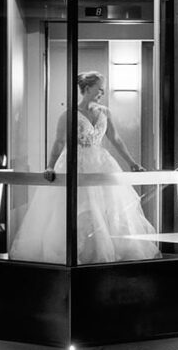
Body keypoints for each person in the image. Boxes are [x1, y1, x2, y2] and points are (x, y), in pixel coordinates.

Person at [9, 71, 159, 263]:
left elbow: (116, 139)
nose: (102, 93)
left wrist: (132, 163)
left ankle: (103, 254)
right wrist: (50, 166)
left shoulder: (105, 112)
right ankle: (80, 254)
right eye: (99, 89)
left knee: (108, 210)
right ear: (87, 89)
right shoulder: (69, 115)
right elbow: (59, 142)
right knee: (82, 209)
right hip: (76, 164)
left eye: (103, 90)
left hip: (101, 163)